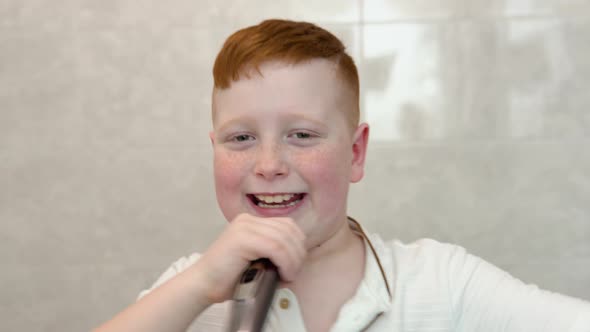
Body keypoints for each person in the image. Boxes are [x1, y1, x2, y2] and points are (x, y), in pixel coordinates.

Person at [95, 19, 590, 332]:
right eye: (241, 138)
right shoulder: (188, 293)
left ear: (355, 153)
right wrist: (201, 284)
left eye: (302, 136)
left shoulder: (440, 284)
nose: (268, 164)